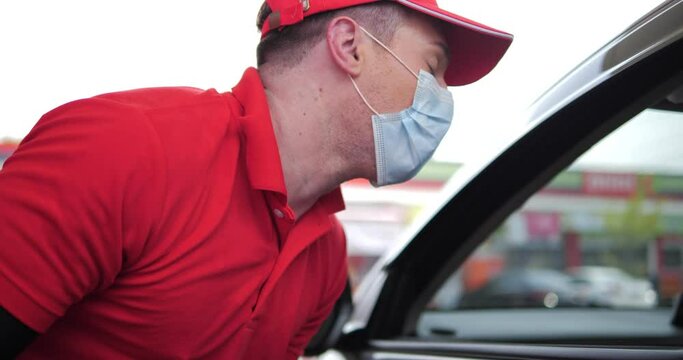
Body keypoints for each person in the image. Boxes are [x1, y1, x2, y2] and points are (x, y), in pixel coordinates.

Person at [0, 0, 512, 358]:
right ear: (350, 44)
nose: (443, 95)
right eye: (434, 67)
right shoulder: (124, 148)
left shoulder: (325, 254)